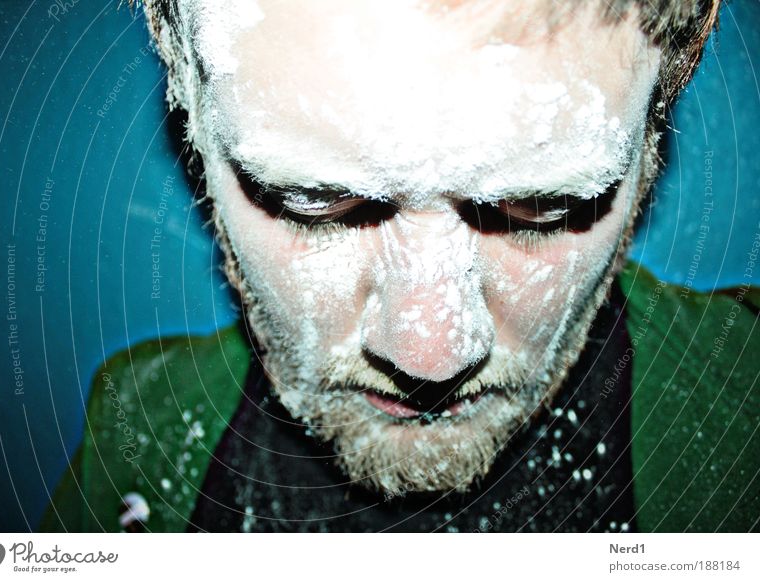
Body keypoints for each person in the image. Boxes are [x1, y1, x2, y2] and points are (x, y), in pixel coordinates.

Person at [42, 0, 759, 532]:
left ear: (656, 132)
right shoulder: (135, 429)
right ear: (188, 107)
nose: (431, 355)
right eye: (312, 200)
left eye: (541, 206)